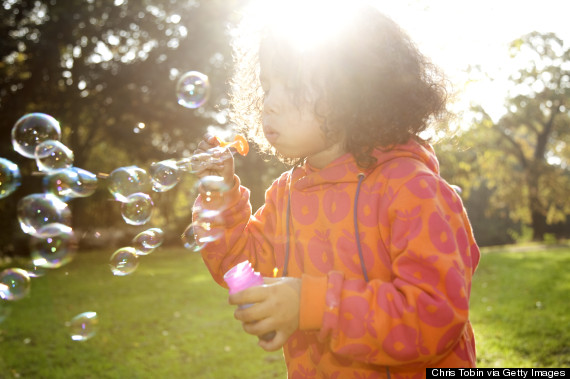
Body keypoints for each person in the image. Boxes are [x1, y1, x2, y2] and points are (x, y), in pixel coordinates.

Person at [190, 0, 480, 377]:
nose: (270, 105)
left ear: (351, 91)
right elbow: (239, 266)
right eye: (266, 86)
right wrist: (219, 192)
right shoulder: (287, 196)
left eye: (290, 85)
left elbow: (434, 315)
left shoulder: (413, 190)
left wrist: (310, 305)